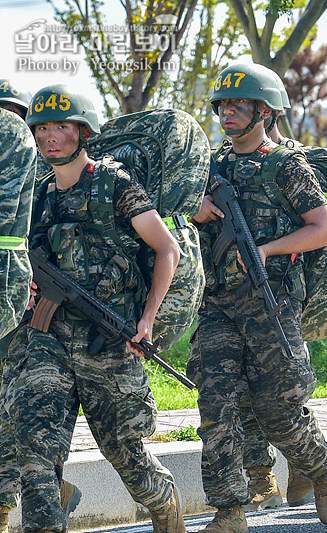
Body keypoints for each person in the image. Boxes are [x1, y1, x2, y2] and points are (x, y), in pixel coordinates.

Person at [5, 84, 184, 532]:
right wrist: (23, 285)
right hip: (44, 340)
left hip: (108, 341)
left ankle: (166, 507)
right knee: (35, 447)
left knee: (126, 452)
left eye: (61, 127)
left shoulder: (114, 182)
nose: (50, 137)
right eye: (42, 128)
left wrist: (147, 318)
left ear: (82, 131)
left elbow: (167, 249)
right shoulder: (37, 192)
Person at [189, 62, 327, 532]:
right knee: (216, 406)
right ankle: (229, 509)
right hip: (218, 304)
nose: (227, 112)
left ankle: (322, 466)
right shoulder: (209, 166)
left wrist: (267, 248)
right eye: (223, 104)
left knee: (279, 412)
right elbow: (169, 209)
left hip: (271, 302)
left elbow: (323, 230)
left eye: (239, 104)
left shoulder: (287, 165)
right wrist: (193, 207)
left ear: (265, 111)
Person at [0, 79, 83, 533]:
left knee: (20, 407)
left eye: (14, 113)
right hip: (16, 292)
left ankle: (36, 497)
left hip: (27, 302)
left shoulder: (41, 169)